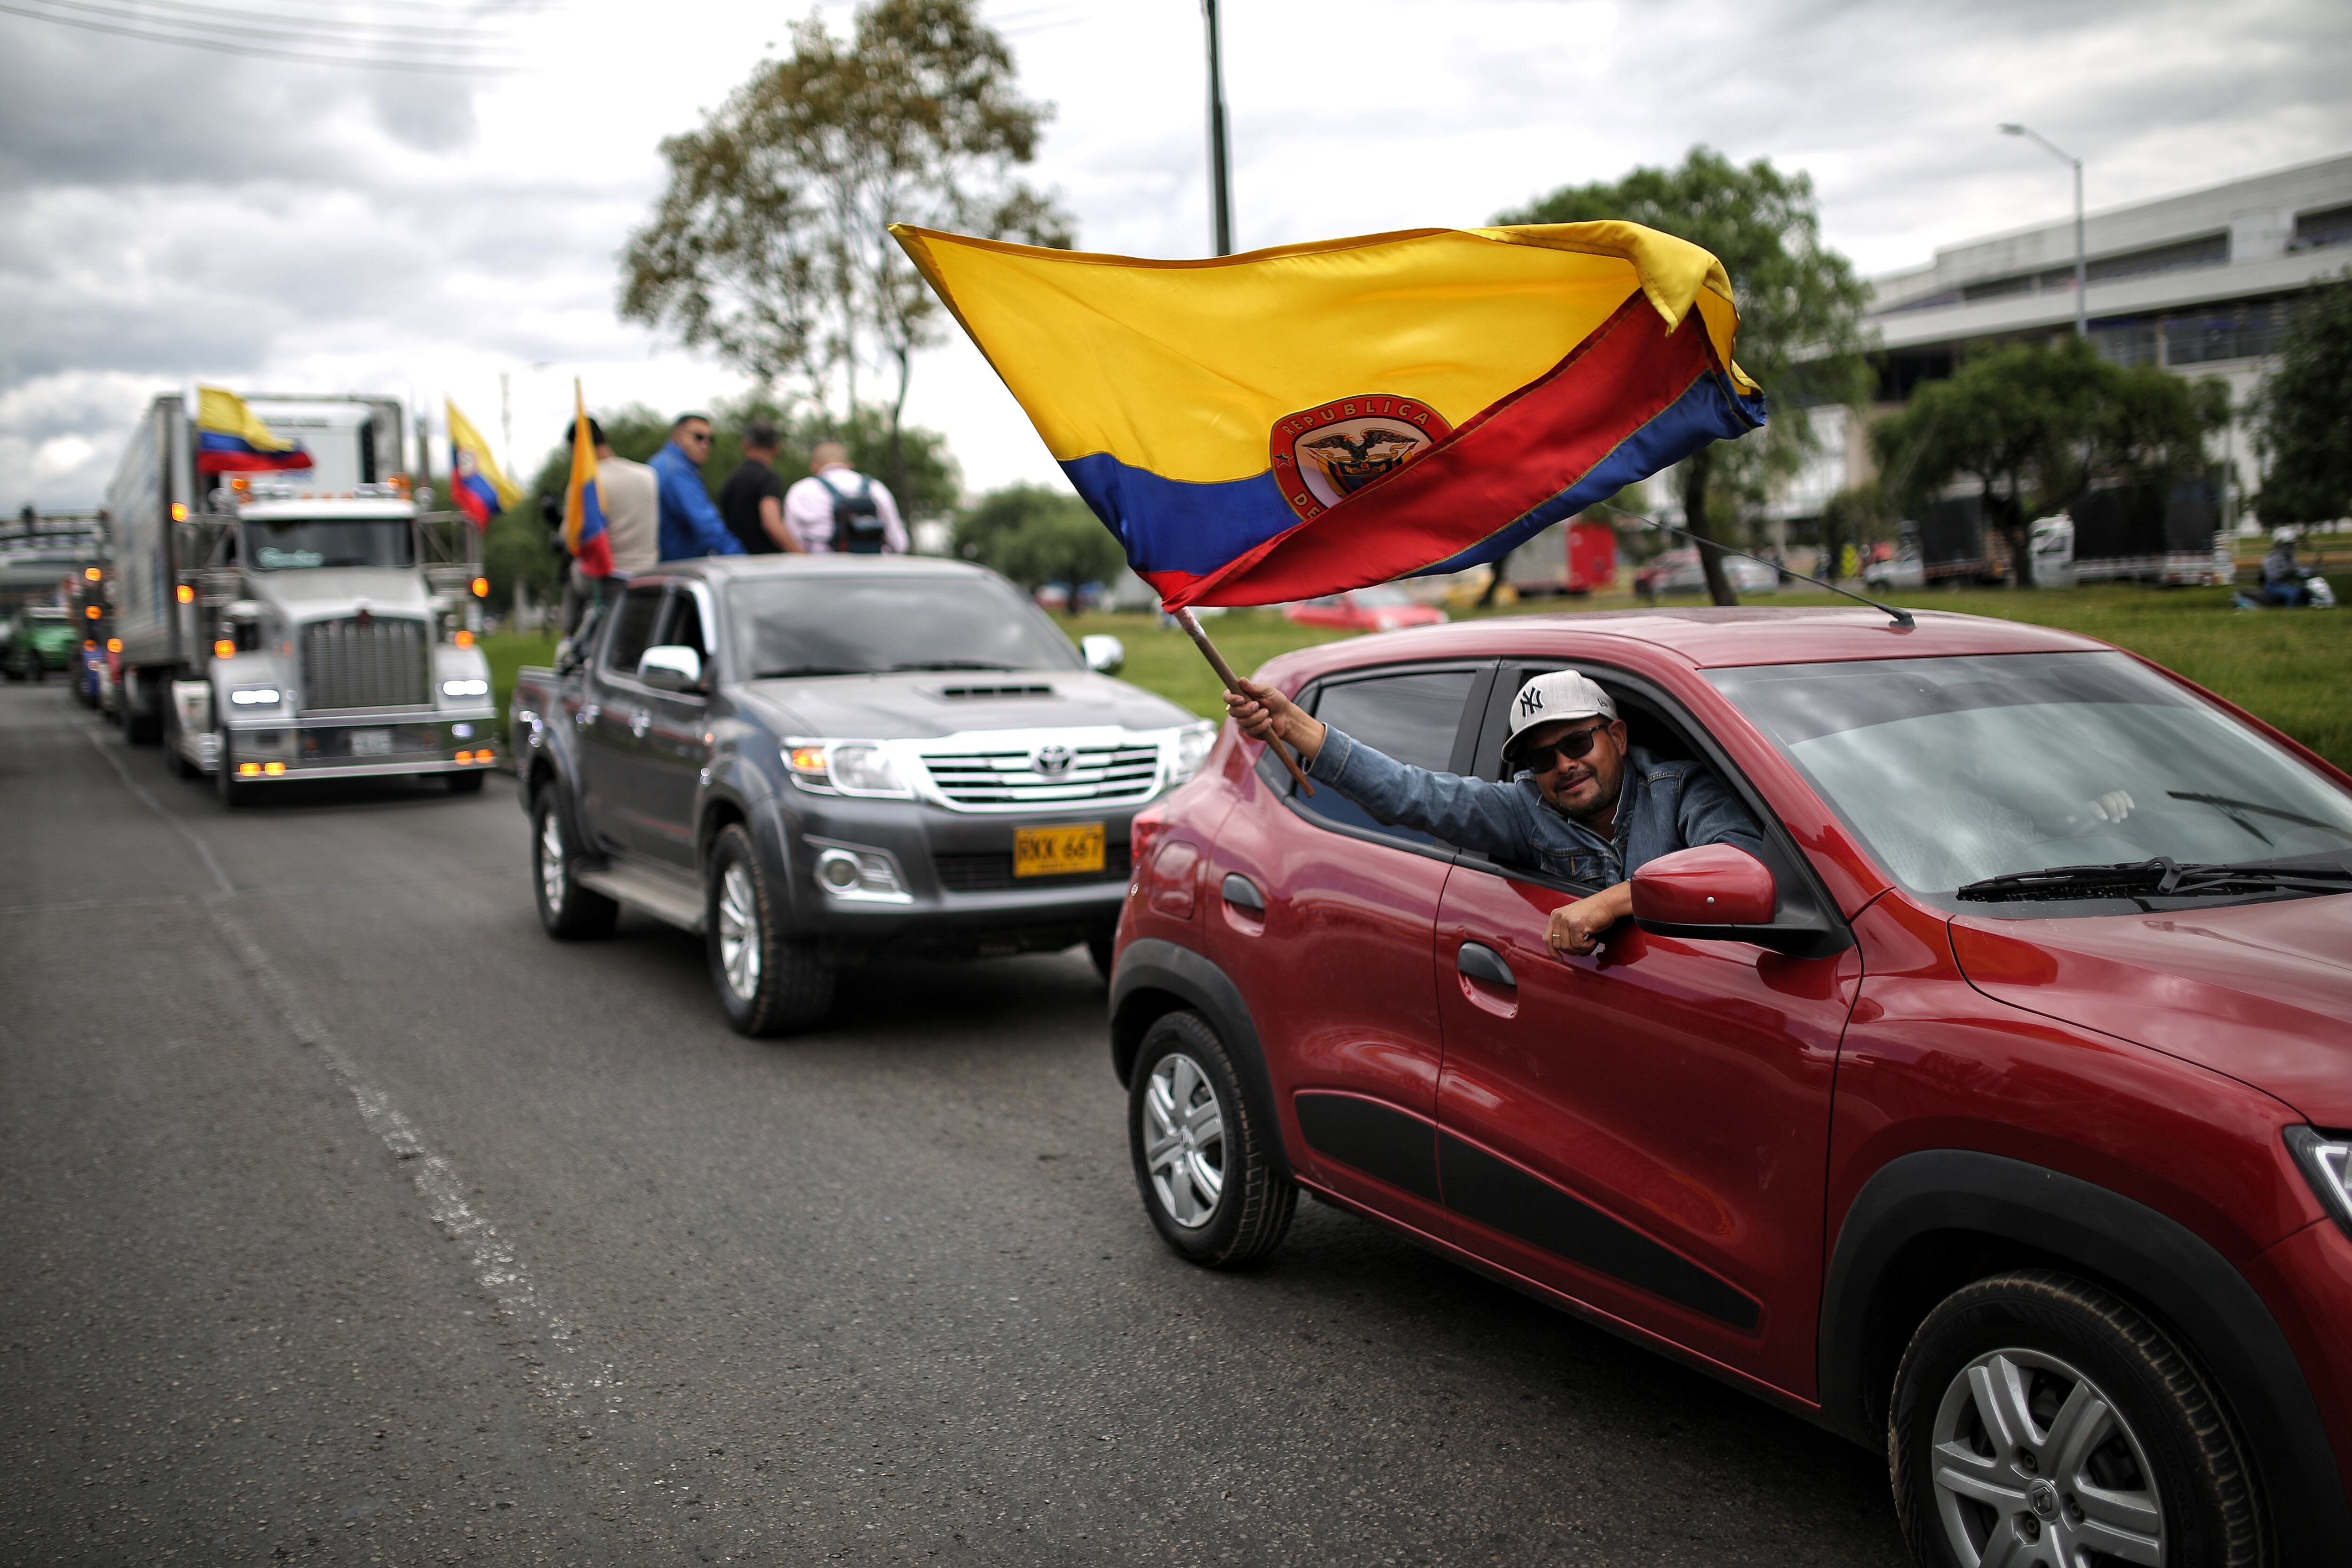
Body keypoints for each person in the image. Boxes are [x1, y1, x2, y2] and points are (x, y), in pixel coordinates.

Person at [1226, 669, 1764, 958]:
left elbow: (1742, 858)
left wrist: (1608, 903)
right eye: (1540, 757)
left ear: (1617, 737)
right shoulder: (1524, 808)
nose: (1563, 766)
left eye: (1577, 742)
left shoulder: (1678, 788)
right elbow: (1410, 794)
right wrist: (1296, 728)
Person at [558, 416, 660, 636]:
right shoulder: (648, 475)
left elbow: (570, 539)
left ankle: (567, 638)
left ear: (578, 449)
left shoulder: (586, 485)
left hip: (609, 580)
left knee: (572, 571)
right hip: (648, 571)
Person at [649, 412, 747, 562]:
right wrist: (741, 560)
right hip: (677, 569)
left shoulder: (661, 463)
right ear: (677, 436)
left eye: (710, 440)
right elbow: (707, 526)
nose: (705, 445)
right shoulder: (677, 471)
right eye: (699, 437)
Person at [782, 441, 908, 555]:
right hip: (873, 572)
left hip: (822, 572)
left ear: (814, 468)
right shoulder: (877, 488)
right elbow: (900, 544)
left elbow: (793, 543)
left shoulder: (800, 491)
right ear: (849, 466)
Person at [717, 422, 802, 555]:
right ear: (777, 448)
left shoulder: (730, 481)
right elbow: (771, 522)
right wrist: (800, 554)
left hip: (734, 563)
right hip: (764, 566)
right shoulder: (768, 479)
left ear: (745, 445)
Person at [2260, 526, 2310, 607]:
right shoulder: (2273, 558)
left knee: (2307, 592)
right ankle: (2289, 613)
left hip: (2288, 585)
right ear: (2279, 544)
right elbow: (2273, 576)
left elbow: (2298, 569)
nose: (2291, 547)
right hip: (2274, 587)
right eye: (2288, 544)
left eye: (2292, 544)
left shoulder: (2291, 557)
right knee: (2293, 594)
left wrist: (2309, 571)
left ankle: (2305, 610)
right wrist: (2288, 571)